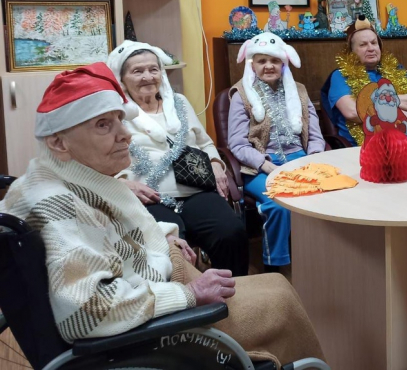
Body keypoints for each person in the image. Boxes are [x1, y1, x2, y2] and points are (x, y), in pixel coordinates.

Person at [0, 63, 324, 368]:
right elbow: (87, 311)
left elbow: (115, 229)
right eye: (103, 125)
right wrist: (189, 295)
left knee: (272, 283)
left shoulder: (63, 177)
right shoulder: (59, 205)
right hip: (152, 325)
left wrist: (164, 236)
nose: (125, 134)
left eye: (119, 119)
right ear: (58, 142)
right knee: (280, 300)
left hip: (155, 279)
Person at [107, 40, 248, 277]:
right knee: (171, 248)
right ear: (121, 78)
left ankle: (235, 290)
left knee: (231, 232)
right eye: (137, 71)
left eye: (153, 69)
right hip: (148, 198)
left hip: (196, 190)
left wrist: (216, 164)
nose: (147, 77)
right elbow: (103, 162)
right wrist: (124, 184)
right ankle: (187, 295)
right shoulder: (115, 114)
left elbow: (204, 143)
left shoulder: (179, 103)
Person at [227, 32, 325, 271]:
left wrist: (314, 158)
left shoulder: (299, 91)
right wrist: (265, 164)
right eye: (262, 61)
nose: (269, 66)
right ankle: (275, 266)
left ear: (284, 63)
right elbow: (237, 144)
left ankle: (320, 259)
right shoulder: (241, 94)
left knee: (325, 195)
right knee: (278, 205)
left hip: (300, 159)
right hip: (260, 165)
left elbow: (314, 134)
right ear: (252, 64)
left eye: (274, 60)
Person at [322, 15, 407, 146]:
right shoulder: (340, 75)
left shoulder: (395, 69)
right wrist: (397, 113)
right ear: (351, 51)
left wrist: (377, 103)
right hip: (369, 147)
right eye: (363, 45)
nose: (371, 48)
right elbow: (353, 111)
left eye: (374, 43)